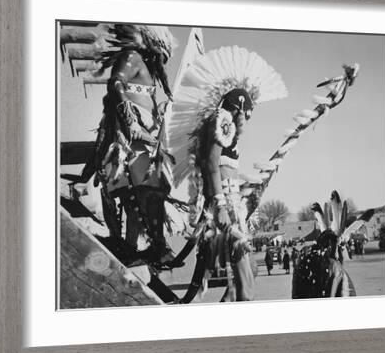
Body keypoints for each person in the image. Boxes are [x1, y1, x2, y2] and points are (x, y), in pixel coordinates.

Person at [166, 45, 288, 302]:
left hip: (233, 210)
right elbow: (211, 166)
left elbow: (223, 170)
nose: (247, 119)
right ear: (239, 108)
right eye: (246, 113)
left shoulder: (227, 128)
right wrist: (221, 206)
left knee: (250, 271)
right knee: (245, 277)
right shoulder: (220, 122)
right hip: (223, 213)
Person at [91, 24, 179, 267]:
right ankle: (153, 248)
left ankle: (136, 248)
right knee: (146, 193)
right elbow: (116, 83)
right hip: (131, 140)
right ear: (154, 47)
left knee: (149, 194)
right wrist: (130, 121)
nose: (164, 63)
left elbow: (135, 94)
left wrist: (158, 110)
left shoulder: (145, 67)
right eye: (163, 56)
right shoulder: (133, 57)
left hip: (145, 139)